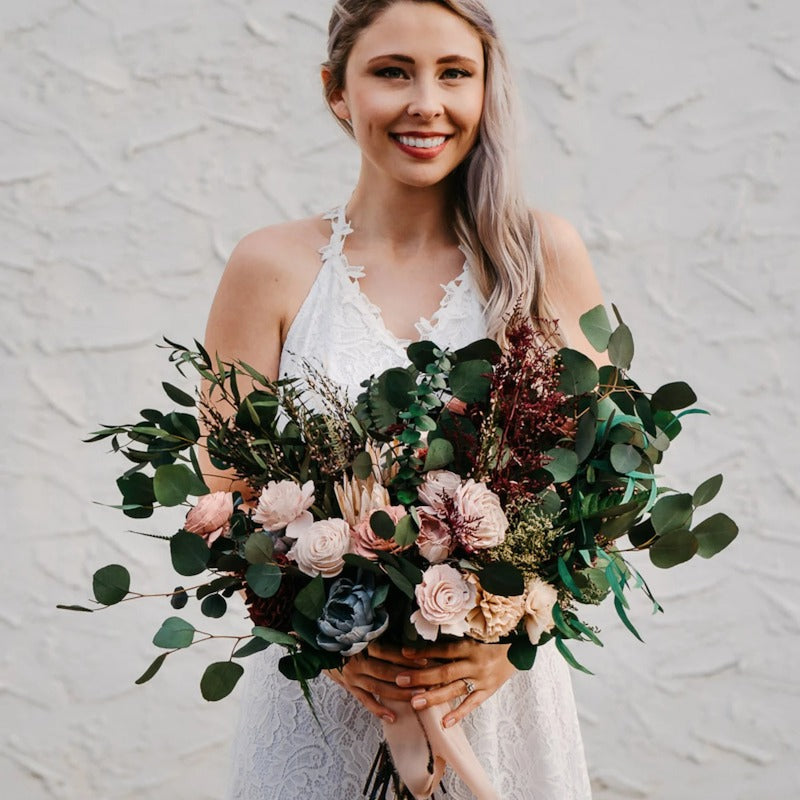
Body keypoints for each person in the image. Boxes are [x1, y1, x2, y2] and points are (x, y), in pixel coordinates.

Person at [204, 1, 603, 797]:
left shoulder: (538, 254)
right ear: (336, 91)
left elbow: (600, 478)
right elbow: (225, 490)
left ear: (486, 90)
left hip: (494, 697)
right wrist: (323, 632)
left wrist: (512, 628)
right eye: (392, 72)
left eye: (455, 73)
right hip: (324, 696)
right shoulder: (271, 266)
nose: (427, 101)